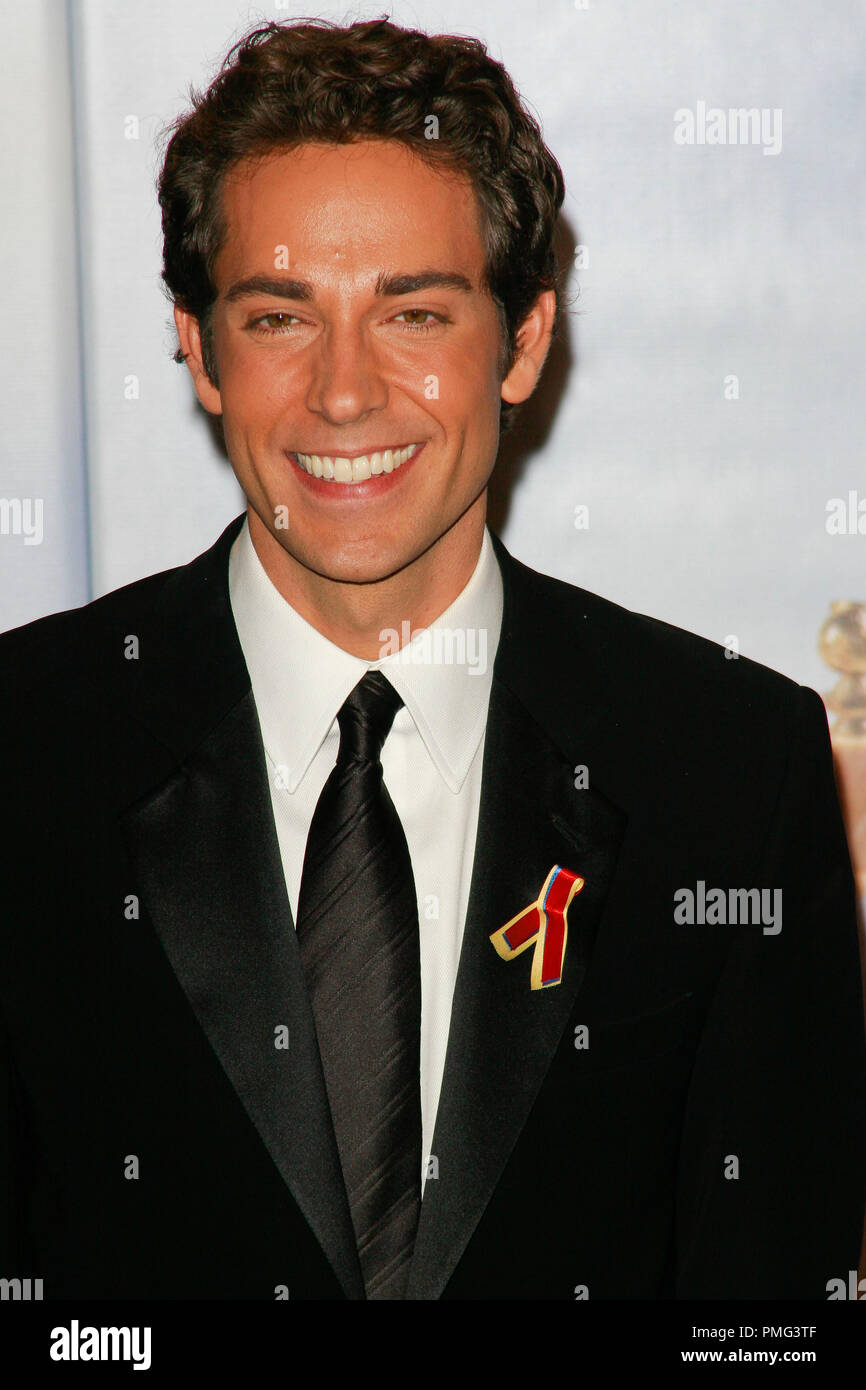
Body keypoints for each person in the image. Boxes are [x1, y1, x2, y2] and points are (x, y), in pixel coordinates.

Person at [1, 16, 864, 1302]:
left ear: (520, 343)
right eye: (280, 317)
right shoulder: (25, 749)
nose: (345, 394)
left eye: (412, 313)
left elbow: (768, 1318)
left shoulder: (734, 774)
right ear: (196, 347)